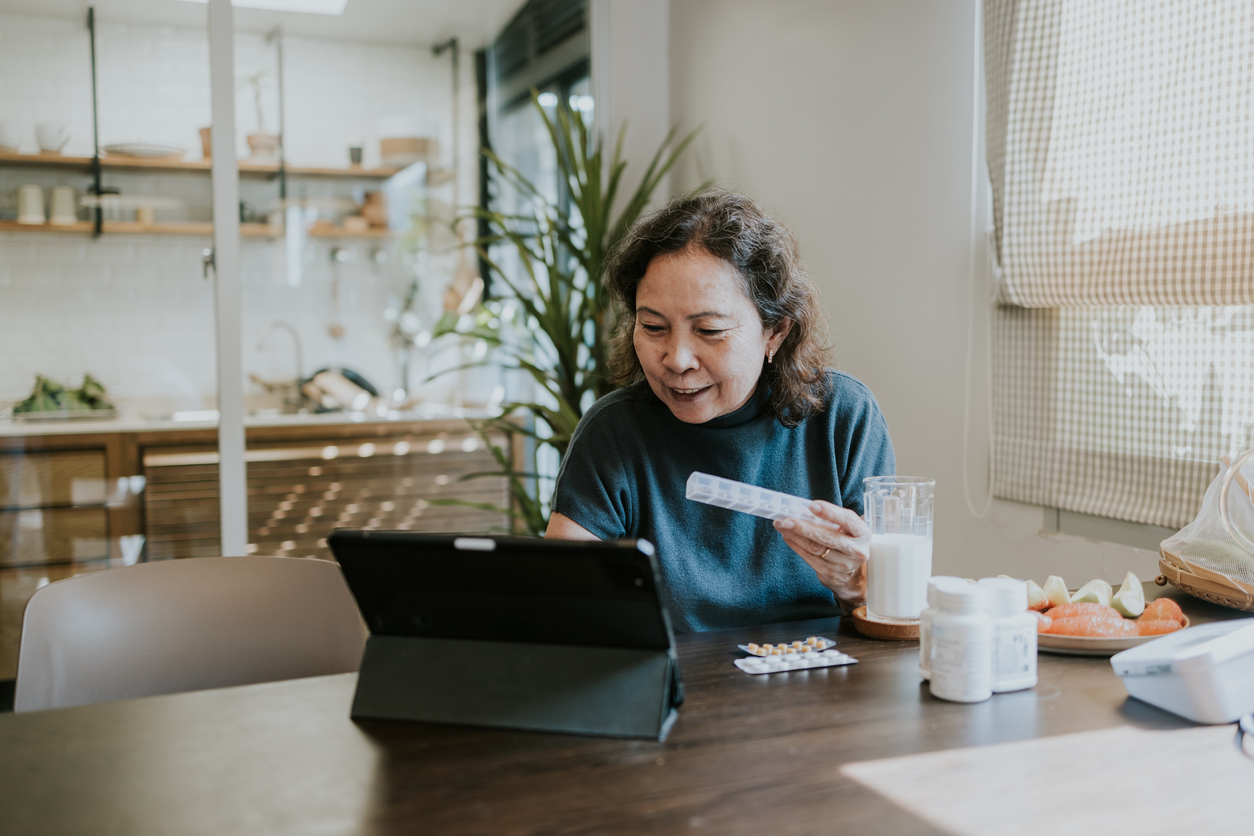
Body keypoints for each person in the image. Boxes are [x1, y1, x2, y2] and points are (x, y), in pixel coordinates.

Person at [545, 190, 895, 632]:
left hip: (817, 684)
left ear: (775, 332)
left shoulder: (842, 419)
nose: (677, 359)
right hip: (675, 690)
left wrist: (857, 585)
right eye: (652, 327)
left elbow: (891, 613)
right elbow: (560, 604)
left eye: (709, 330)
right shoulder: (615, 432)